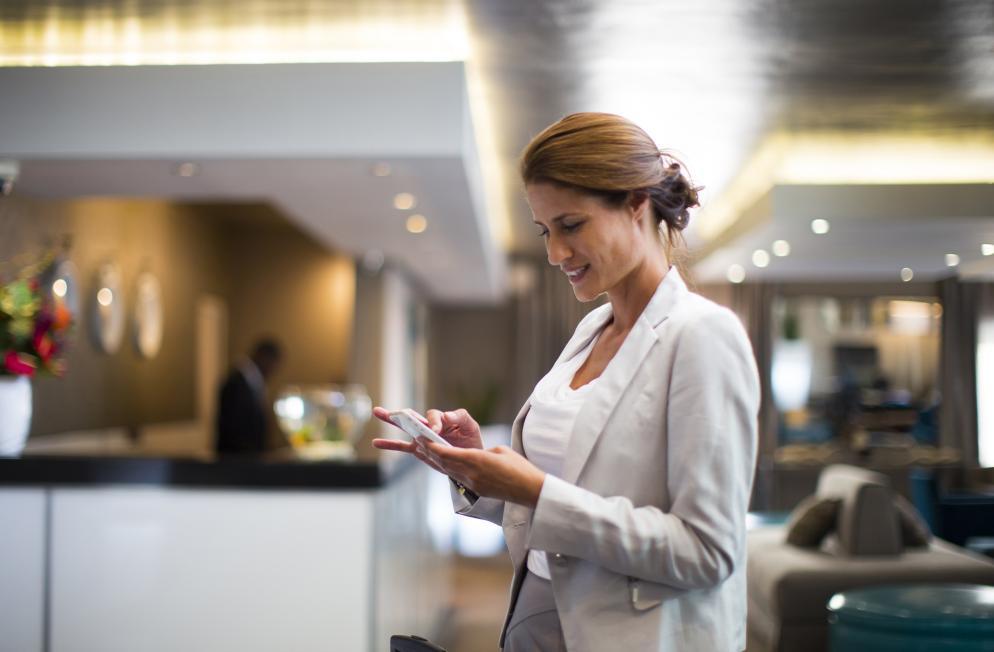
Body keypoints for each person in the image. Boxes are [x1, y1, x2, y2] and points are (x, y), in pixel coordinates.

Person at [373, 113, 759, 651]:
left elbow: (706, 551)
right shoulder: (590, 330)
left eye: (571, 226)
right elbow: (564, 494)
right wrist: (479, 470)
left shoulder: (703, 336)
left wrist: (534, 489)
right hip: (538, 617)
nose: (555, 253)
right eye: (545, 231)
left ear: (635, 205)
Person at [215, 338, 283, 455]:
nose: (273, 370)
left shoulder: (251, 380)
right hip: (238, 459)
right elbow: (234, 430)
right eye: (273, 364)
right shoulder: (237, 382)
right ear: (263, 357)